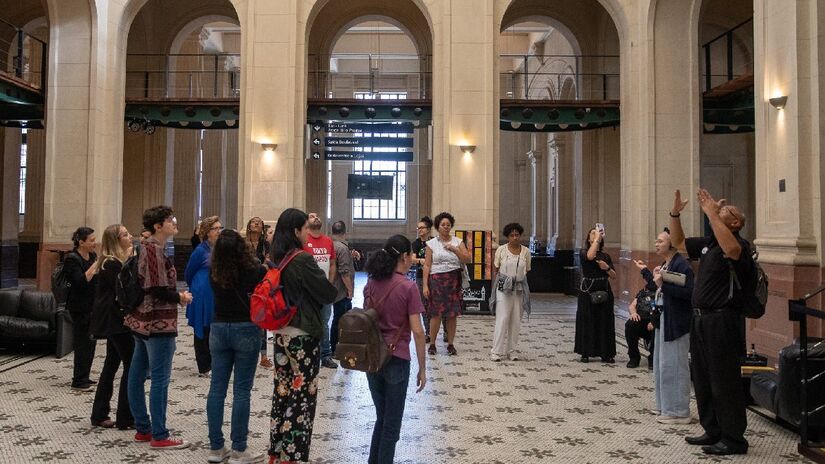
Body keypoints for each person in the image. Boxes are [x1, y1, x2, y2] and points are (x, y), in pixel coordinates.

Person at [669, 189, 754, 456]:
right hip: (701, 321)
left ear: (736, 223)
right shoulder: (710, 243)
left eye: (727, 212)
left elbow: (732, 248)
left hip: (722, 320)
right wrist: (675, 214)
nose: (720, 210)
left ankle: (733, 438)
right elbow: (678, 242)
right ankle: (713, 429)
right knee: (703, 378)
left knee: (724, 380)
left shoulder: (739, 245)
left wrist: (710, 212)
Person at [268, 208, 337, 464]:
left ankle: (275, 452)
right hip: (302, 335)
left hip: (281, 333)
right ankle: (293, 455)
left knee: (282, 390)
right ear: (296, 231)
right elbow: (326, 293)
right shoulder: (302, 259)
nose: (309, 233)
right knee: (303, 394)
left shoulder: (276, 256)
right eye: (306, 229)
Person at [124, 205, 193, 450]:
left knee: (137, 373)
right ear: (157, 226)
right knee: (159, 379)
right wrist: (180, 298)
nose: (174, 222)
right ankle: (159, 434)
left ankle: (143, 429)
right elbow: (157, 288)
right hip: (156, 323)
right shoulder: (153, 249)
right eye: (169, 220)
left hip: (144, 322)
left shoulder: (152, 247)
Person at [362, 235, 427, 463]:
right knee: (392, 425)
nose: (413, 258)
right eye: (410, 254)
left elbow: (366, 319)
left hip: (373, 357)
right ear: (403, 256)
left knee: (382, 417)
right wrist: (422, 368)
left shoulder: (371, 283)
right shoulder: (408, 287)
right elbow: (418, 331)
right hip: (397, 358)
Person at [206, 229, 268, 464]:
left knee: (217, 389)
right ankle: (239, 449)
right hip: (246, 328)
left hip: (219, 328)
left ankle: (216, 448)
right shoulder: (253, 270)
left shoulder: (214, 271)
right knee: (241, 391)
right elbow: (265, 276)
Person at [646, 228, 695, 425]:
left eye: (660, 241)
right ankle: (664, 405)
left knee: (674, 365)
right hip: (664, 319)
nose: (656, 244)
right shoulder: (667, 263)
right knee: (662, 365)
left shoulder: (682, 265)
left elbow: (688, 292)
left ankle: (678, 411)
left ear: (671, 243)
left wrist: (662, 285)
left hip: (676, 322)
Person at [89, 224, 135, 429]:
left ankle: (100, 414)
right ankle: (125, 417)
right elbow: (124, 289)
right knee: (131, 366)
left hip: (116, 321)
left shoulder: (116, 262)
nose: (130, 236)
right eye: (125, 235)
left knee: (111, 366)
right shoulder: (110, 264)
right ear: (116, 241)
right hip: (116, 322)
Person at [422, 212, 471, 356]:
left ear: (451, 226)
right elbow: (427, 265)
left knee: (452, 314)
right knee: (435, 314)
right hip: (436, 281)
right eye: (443, 225)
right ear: (438, 226)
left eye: (448, 225)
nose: (445, 227)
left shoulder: (458, 241)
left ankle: (450, 344)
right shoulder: (431, 244)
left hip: (453, 280)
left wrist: (455, 250)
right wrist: (425, 285)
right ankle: (432, 344)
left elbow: (467, 259)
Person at [488, 223, 531, 362]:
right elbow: (496, 268)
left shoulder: (526, 251)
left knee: (516, 320)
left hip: (519, 289)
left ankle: (511, 350)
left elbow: (527, 270)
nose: (514, 237)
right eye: (511, 235)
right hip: (503, 289)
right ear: (507, 237)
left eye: (517, 235)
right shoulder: (501, 250)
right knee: (503, 318)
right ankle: (496, 351)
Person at [185, 216, 222, 377]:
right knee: (202, 329)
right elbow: (188, 272)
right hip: (201, 293)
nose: (219, 231)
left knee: (214, 327)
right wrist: (196, 287)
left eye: (220, 228)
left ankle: (214, 362)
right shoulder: (200, 250)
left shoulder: (217, 248)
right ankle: (204, 366)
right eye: (216, 229)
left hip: (215, 292)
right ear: (208, 232)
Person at [574, 226, 617, 363]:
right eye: (592, 233)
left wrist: (607, 268)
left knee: (604, 320)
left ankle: (606, 353)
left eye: (597, 233)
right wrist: (597, 240)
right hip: (588, 290)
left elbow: (614, 275)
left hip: (604, 289)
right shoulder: (583, 252)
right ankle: (585, 352)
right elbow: (590, 256)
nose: (595, 235)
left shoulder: (606, 256)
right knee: (588, 320)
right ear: (588, 238)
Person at [65, 226, 99, 391]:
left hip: (92, 304)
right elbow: (80, 281)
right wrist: (96, 265)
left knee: (91, 342)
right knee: (82, 342)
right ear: (81, 242)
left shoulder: (92, 255)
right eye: (91, 240)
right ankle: (78, 380)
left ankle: (85, 376)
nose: (94, 243)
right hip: (79, 306)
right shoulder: (72, 259)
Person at [303, 212, 338, 369]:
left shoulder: (328, 241)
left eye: (317, 216)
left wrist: (329, 284)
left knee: (324, 323)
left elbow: (332, 264)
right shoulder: (304, 241)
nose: (316, 217)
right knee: (308, 322)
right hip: (308, 290)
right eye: (311, 216)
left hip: (324, 289)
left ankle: (325, 355)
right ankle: (309, 353)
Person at [245, 216, 274, 371]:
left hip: (262, 285)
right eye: (253, 221)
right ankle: (246, 353)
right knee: (246, 320)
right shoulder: (243, 243)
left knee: (261, 321)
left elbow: (268, 263)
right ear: (249, 226)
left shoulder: (266, 244)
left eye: (259, 222)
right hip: (246, 285)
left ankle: (263, 356)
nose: (255, 223)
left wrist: (260, 267)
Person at [625, 260, 659, 369]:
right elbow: (632, 305)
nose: (658, 272)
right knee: (630, 325)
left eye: (660, 270)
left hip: (656, 320)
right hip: (642, 319)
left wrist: (653, 321)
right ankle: (634, 357)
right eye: (656, 271)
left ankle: (653, 358)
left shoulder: (663, 289)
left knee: (657, 327)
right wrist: (634, 313)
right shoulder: (643, 291)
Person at [329, 221, 354, 357]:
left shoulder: (329, 245)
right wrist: (350, 290)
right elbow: (344, 272)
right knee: (341, 320)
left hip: (332, 288)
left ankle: (333, 347)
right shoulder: (342, 248)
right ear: (345, 232)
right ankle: (337, 349)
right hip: (341, 290)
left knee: (335, 320)